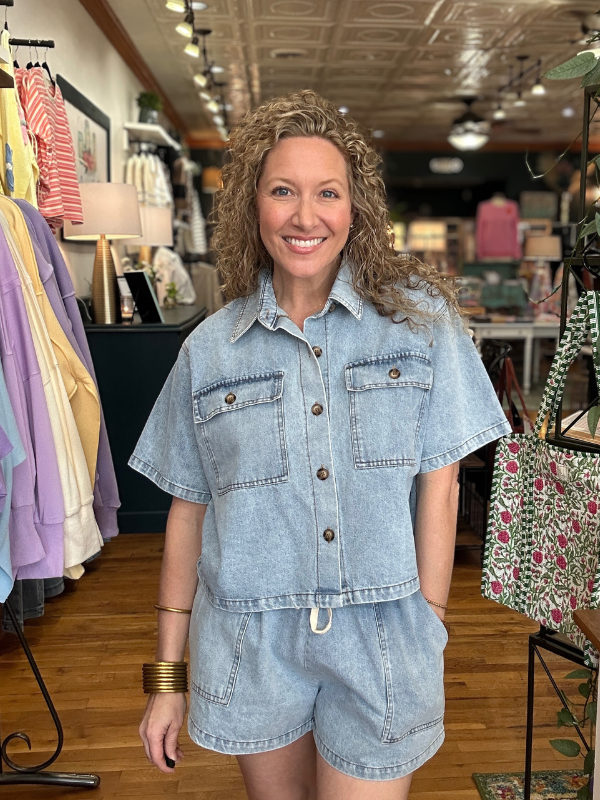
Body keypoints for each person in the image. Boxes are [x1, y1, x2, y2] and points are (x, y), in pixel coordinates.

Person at [130, 90, 510, 800]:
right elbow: (188, 512)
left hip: (383, 637)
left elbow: (442, 481)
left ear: (355, 208)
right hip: (251, 639)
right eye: (283, 191)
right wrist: (167, 679)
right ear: (252, 205)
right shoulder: (209, 352)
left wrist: (429, 622)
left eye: (327, 193)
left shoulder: (421, 326)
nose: (305, 216)